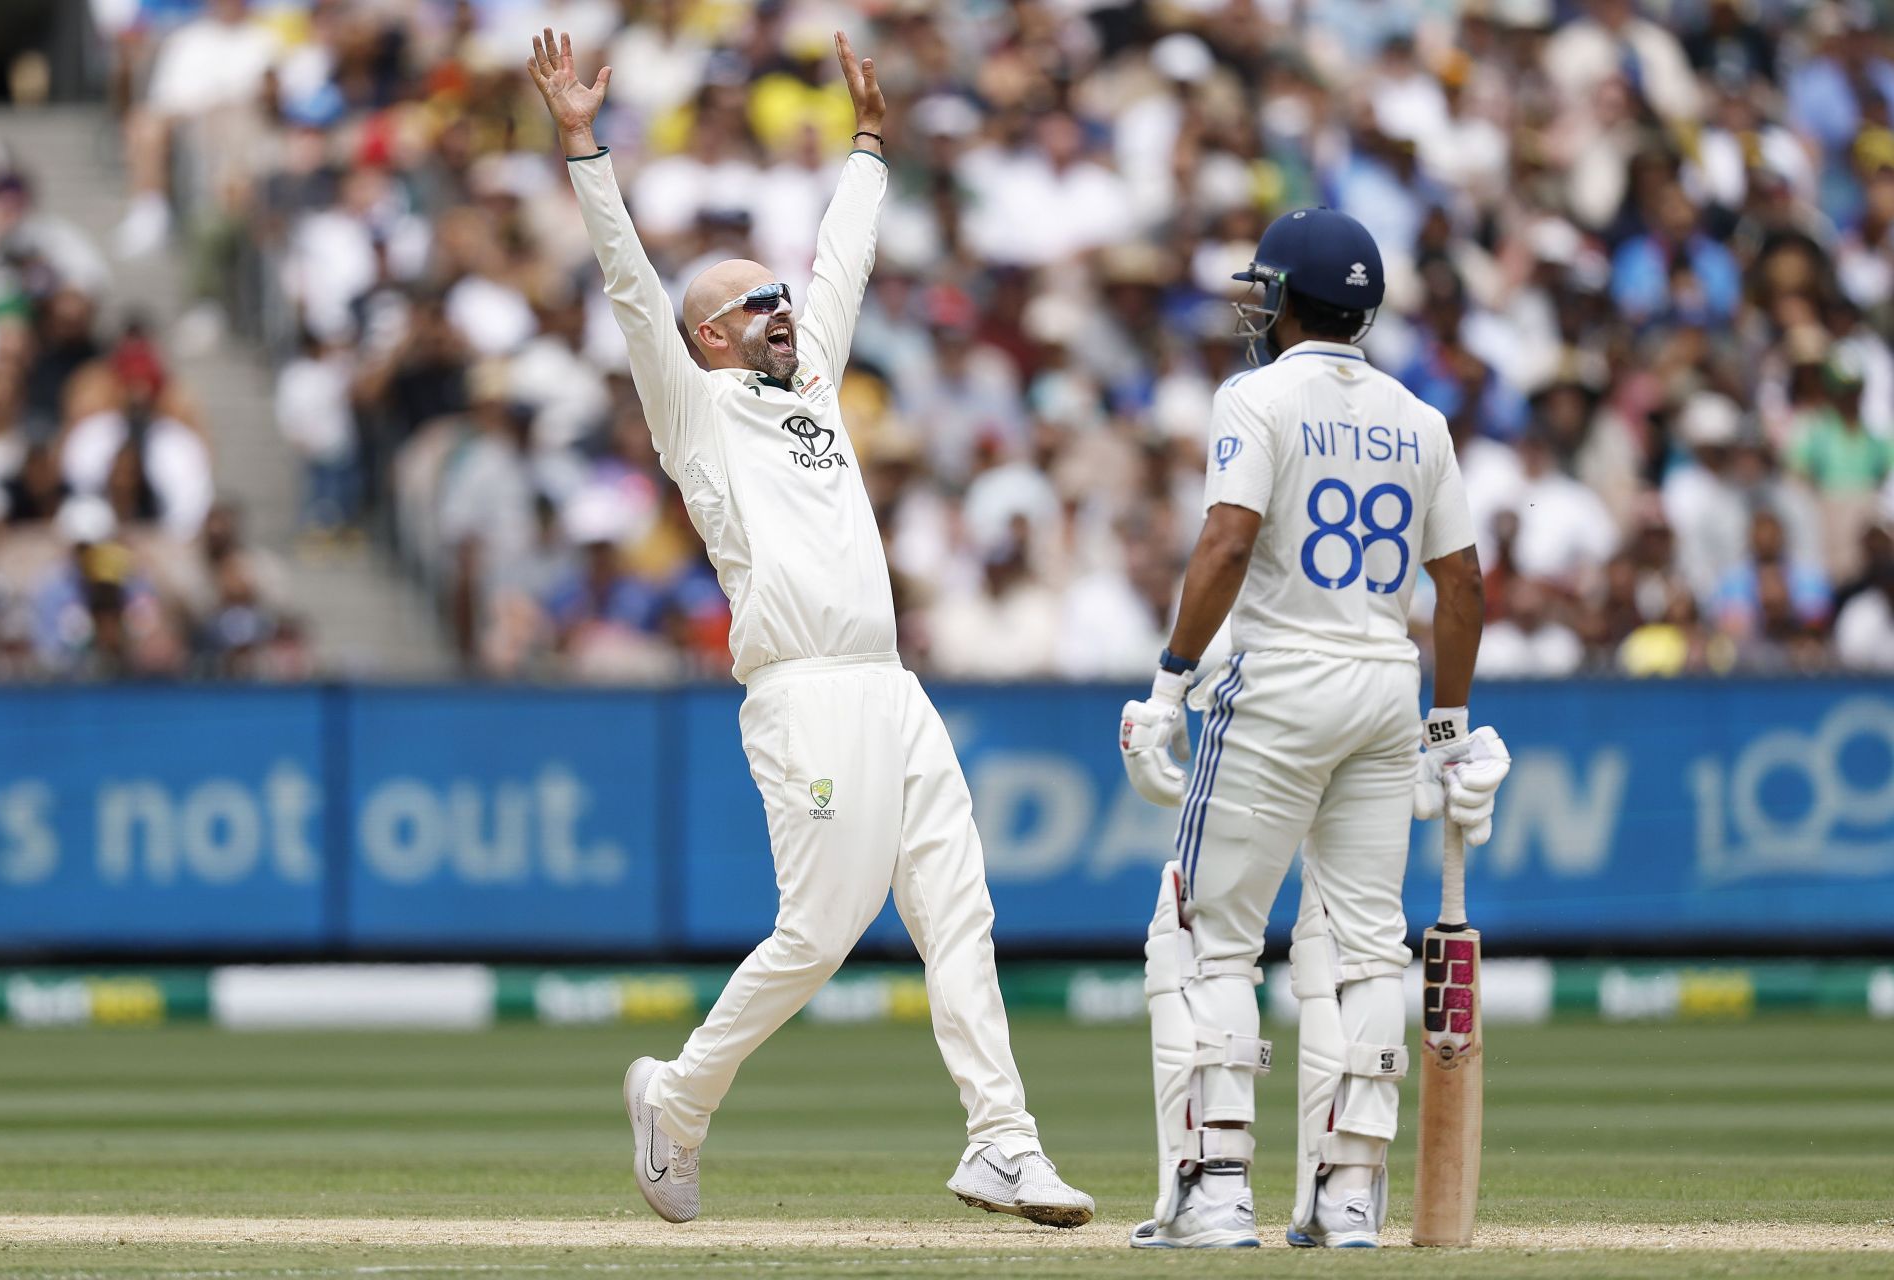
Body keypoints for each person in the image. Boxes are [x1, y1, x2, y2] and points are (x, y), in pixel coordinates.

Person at [525, 27, 1092, 1230]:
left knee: (961, 908)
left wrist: (873, 143)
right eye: (757, 303)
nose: (786, 310)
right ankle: (677, 1100)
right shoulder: (696, 409)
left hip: (890, 683)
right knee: (822, 930)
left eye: (780, 298)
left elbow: (845, 261)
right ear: (714, 335)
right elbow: (632, 285)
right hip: (802, 691)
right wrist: (583, 144)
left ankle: (1003, 1138)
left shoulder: (816, 381)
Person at [1116, 208, 1512, 1249]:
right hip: (1387, 682)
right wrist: (1452, 724)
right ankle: (1348, 1198)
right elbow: (1461, 579)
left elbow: (1229, 536)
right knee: (1365, 948)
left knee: (1204, 936)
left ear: (1288, 298)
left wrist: (1169, 680)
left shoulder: (1254, 395)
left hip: (1280, 676)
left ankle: (1215, 1193)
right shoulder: (1420, 418)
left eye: (1263, 289)